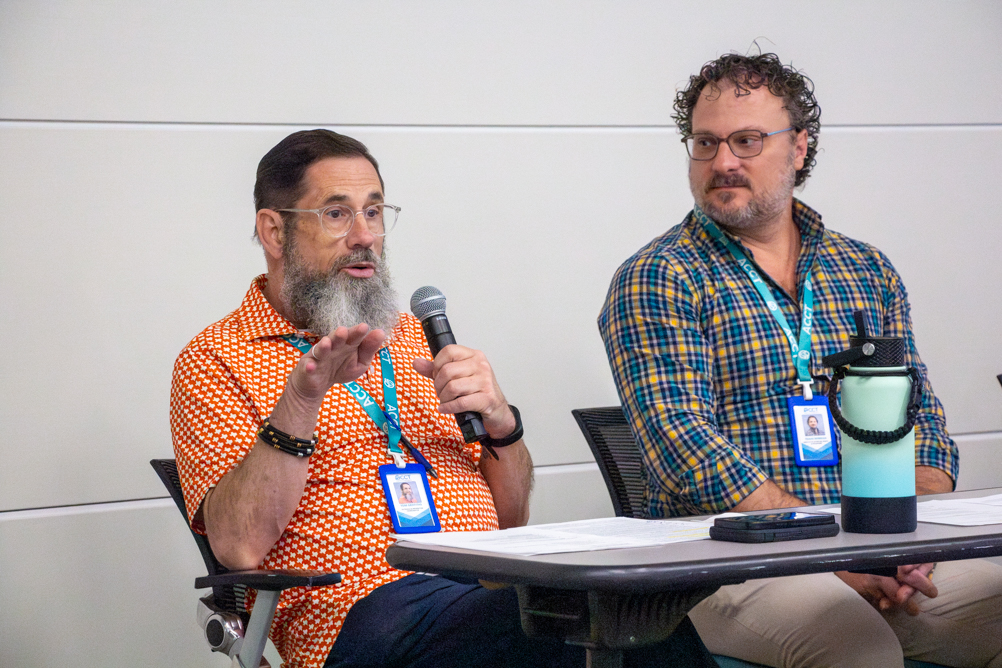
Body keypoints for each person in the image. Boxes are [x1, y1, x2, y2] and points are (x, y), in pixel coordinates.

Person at [171, 129, 718, 668]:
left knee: (633, 616)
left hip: (482, 588)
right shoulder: (217, 358)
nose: (364, 235)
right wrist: (301, 400)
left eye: (375, 211)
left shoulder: (415, 337)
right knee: (590, 625)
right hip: (366, 617)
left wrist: (504, 425)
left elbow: (511, 518)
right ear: (273, 230)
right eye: (336, 214)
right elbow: (239, 549)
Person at [599, 53, 1002, 667]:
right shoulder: (659, 276)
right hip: (725, 561)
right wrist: (832, 552)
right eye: (705, 143)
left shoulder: (865, 269)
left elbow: (923, 422)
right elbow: (682, 447)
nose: (723, 162)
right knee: (853, 645)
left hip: (876, 546)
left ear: (800, 148)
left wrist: (904, 538)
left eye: (747, 140)